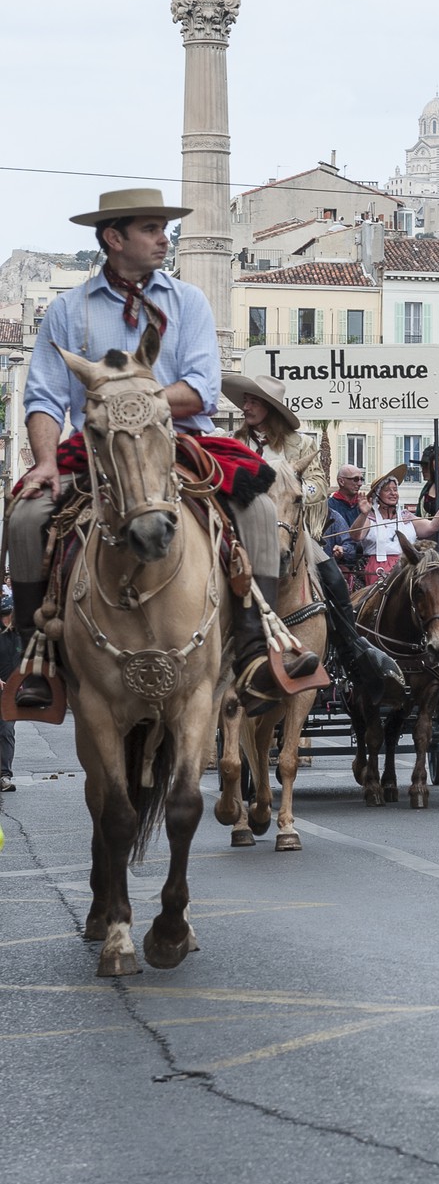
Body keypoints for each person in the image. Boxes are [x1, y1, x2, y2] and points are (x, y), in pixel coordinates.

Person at [9, 187, 321, 715]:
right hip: (98, 448)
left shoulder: (189, 301)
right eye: (151, 228)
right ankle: (35, 654)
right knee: (25, 515)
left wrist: (128, 398)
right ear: (114, 238)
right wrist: (43, 461)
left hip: (182, 440)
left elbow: (200, 388)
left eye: (163, 228)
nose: (163, 238)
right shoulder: (68, 310)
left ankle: (253, 648)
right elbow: (43, 396)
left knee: (262, 509)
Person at [221, 372, 397, 701]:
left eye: (253, 400)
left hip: (289, 528)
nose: (246, 405)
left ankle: (351, 650)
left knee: (332, 578)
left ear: (269, 408)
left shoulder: (300, 445)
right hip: (242, 531)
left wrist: (292, 485)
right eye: (245, 400)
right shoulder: (234, 441)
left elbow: (317, 485)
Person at [350, 465, 439, 584]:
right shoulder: (370, 519)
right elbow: (355, 536)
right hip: (377, 571)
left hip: (407, 568)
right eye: (387, 490)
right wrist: (363, 514)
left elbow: (432, 527)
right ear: (377, 496)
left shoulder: (406, 517)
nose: (393, 493)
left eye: (395, 489)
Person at [324, 464, 367, 587]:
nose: (359, 483)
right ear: (341, 481)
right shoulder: (328, 508)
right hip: (337, 569)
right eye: (355, 479)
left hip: (364, 567)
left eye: (361, 479)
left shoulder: (364, 506)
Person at [0, 592, 19, 791]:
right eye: (7, 615)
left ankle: (5, 775)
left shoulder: (21, 635)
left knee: (6, 731)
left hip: (10, 694)